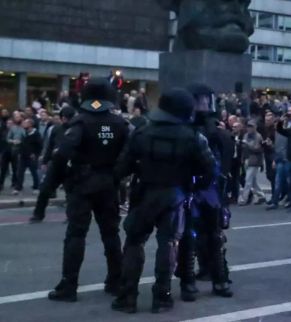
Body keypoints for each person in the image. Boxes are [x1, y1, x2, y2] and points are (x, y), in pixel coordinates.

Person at [112, 88, 216, 314]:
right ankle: (162, 297)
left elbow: (121, 167)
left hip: (145, 192)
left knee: (134, 242)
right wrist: (191, 186)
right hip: (175, 195)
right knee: (168, 244)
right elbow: (209, 172)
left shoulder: (141, 133)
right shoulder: (194, 138)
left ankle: (127, 296)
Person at [47, 79, 130, 302]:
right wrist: (117, 174)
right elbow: (130, 152)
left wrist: (59, 180)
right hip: (109, 184)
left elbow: (62, 153)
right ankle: (115, 279)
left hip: (82, 184)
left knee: (76, 234)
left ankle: (69, 285)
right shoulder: (119, 123)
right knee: (111, 234)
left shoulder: (80, 122)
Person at [176, 84, 234, 302]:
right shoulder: (216, 130)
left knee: (198, 236)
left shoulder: (201, 130)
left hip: (197, 188)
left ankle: (196, 281)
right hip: (207, 189)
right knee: (207, 236)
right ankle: (215, 279)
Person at [30, 106, 77, 223]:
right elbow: (50, 145)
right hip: (56, 164)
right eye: (64, 118)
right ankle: (38, 214)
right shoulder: (56, 129)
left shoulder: (77, 129)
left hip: (71, 165)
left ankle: (71, 216)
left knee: (71, 193)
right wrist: (45, 161)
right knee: (44, 190)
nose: (66, 120)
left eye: (68, 118)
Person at [239, 120, 266, 205]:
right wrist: (242, 158)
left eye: (251, 127)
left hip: (254, 160)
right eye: (248, 126)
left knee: (248, 180)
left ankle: (244, 199)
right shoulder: (246, 135)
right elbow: (243, 148)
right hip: (247, 159)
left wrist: (247, 144)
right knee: (253, 180)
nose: (249, 128)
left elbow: (258, 149)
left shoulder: (258, 137)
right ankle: (261, 195)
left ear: (255, 127)